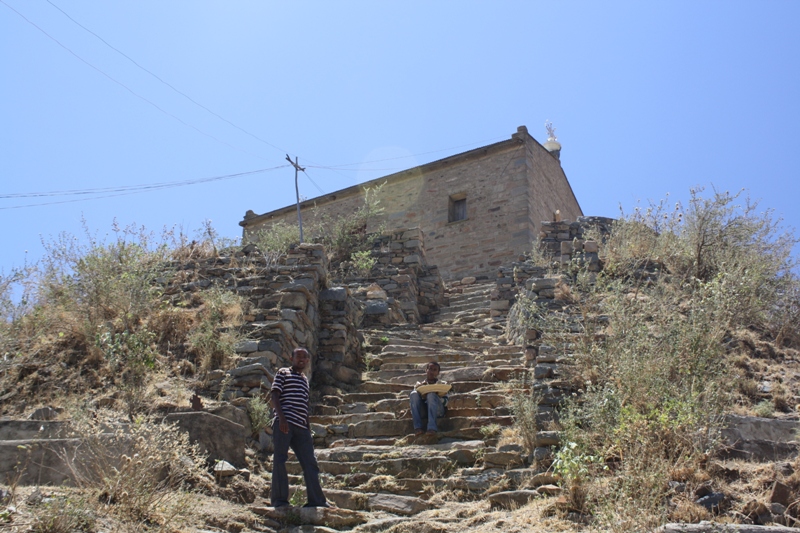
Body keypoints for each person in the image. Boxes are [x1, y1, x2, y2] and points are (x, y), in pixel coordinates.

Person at [270, 347, 330, 508]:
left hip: (301, 427)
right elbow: (274, 395)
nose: (301, 360)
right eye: (298, 357)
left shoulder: (304, 379)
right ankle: (279, 500)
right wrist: (281, 418)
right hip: (285, 423)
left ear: (308, 360)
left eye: (305, 357)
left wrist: (307, 428)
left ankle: (317, 500)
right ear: (292, 358)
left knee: (310, 463)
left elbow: (305, 405)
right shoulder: (283, 372)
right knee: (280, 460)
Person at [409, 361, 450, 435]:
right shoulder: (419, 385)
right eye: (430, 369)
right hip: (424, 411)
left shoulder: (442, 384)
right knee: (413, 394)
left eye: (434, 370)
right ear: (426, 370)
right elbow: (414, 402)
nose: (431, 372)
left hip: (438, 411)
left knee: (431, 395)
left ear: (438, 373)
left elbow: (446, 402)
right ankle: (417, 427)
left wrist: (436, 396)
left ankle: (432, 428)